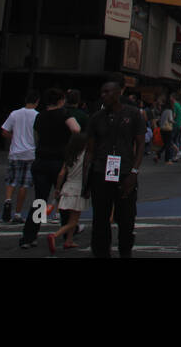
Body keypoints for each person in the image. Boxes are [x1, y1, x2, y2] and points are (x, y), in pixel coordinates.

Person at [84, 75, 145, 259]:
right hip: (100, 171)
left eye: (107, 92)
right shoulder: (96, 118)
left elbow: (140, 144)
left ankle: (125, 250)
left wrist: (134, 171)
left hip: (125, 171)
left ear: (118, 93)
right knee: (100, 219)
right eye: (102, 92)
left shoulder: (134, 115)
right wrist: (86, 178)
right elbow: (90, 149)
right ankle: (101, 252)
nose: (103, 95)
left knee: (126, 219)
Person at [23, 88, 78, 249]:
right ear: (61, 100)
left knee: (39, 199)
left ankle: (29, 236)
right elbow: (76, 129)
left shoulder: (40, 116)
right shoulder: (64, 115)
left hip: (41, 160)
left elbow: (36, 136)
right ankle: (66, 232)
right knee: (63, 197)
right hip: (59, 160)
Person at [0, 90, 41, 224]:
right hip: (30, 153)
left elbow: (5, 131)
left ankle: (7, 200)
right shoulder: (37, 116)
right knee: (24, 184)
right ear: (37, 102)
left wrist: (14, 138)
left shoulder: (15, 114)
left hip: (15, 152)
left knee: (11, 180)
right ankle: (17, 213)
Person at [48, 131, 88, 254]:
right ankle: (55, 235)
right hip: (78, 188)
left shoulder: (70, 155)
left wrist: (57, 189)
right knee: (74, 220)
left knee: (72, 217)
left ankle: (69, 240)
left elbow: (61, 174)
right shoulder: (85, 156)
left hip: (67, 186)